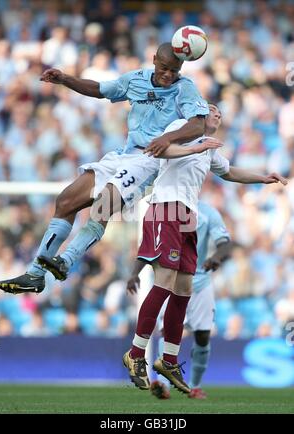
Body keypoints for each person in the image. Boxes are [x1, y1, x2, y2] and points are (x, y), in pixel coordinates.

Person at [0, 43, 214, 295]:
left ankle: (65, 261)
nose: (169, 75)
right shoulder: (136, 79)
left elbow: (198, 125)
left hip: (151, 158)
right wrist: (66, 79)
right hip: (122, 155)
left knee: (104, 203)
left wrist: (168, 138)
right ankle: (35, 274)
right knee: (66, 200)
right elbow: (100, 90)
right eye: (164, 68)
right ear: (154, 60)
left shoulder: (184, 88)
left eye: (174, 70)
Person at [122, 104, 287, 394]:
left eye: (221, 113)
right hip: (165, 208)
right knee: (165, 282)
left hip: (187, 215)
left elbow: (230, 172)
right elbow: (158, 150)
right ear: (197, 115)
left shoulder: (209, 149)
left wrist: (263, 178)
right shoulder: (180, 131)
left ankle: (169, 359)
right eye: (212, 110)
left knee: (184, 288)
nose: (218, 115)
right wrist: (195, 147)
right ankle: (136, 354)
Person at [127, 200, 232, 399]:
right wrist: (135, 273)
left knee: (202, 336)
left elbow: (225, 242)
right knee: (167, 330)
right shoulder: (167, 210)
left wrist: (217, 257)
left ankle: (195, 385)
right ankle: (164, 384)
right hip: (172, 279)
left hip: (201, 282)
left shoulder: (209, 211)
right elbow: (148, 245)